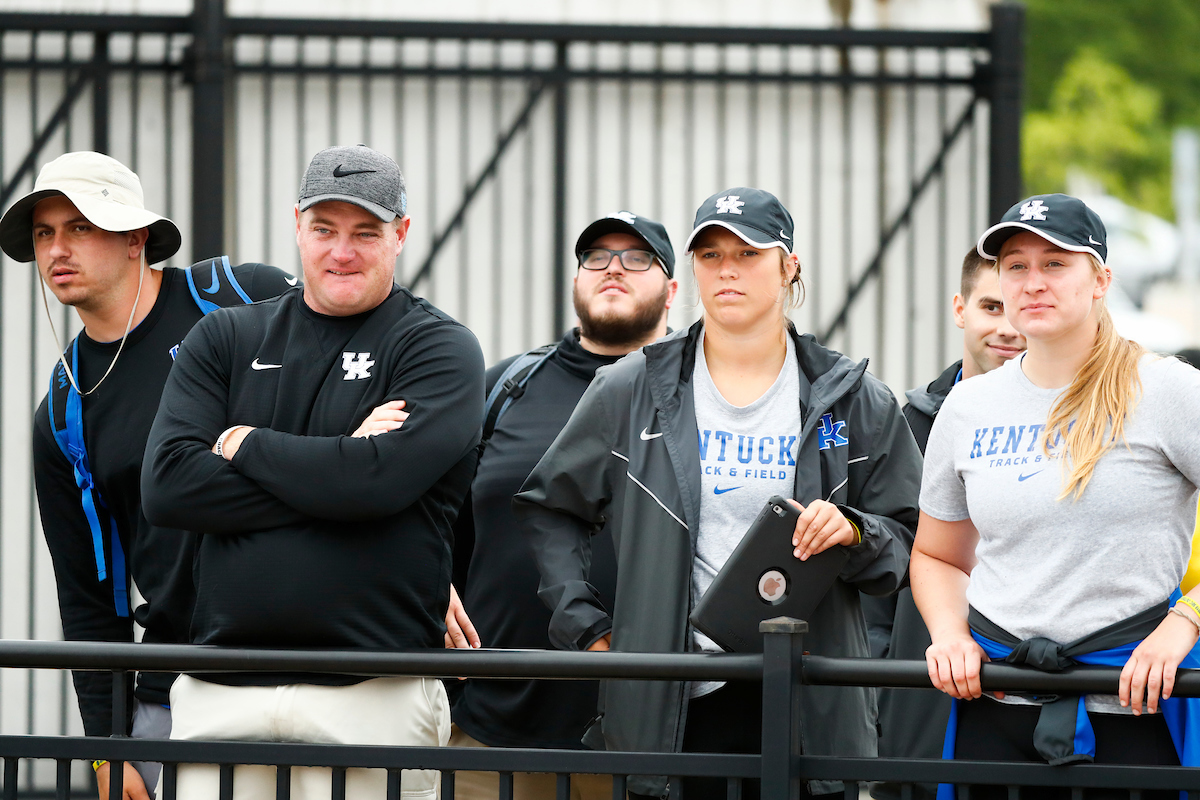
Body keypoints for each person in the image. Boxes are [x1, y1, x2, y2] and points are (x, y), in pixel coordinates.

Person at [514, 187, 922, 800]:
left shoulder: (854, 397)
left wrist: (855, 531)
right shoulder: (632, 387)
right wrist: (586, 626)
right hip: (673, 704)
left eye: (748, 252)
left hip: (808, 703)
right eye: (709, 254)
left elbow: (912, 538)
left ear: (789, 267)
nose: (726, 268)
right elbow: (551, 508)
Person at [141, 144, 485, 800]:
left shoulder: (437, 346)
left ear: (401, 234)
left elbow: (377, 483)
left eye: (366, 232)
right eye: (324, 229)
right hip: (219, 690)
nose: (342, 251)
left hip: (373, 695)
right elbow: (169, 487)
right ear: (297, 225)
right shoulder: (227, 339)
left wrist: (244, 444)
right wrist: (342, 456)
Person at [0, 151, 293, 800]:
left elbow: (369, 419)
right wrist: (110, 751)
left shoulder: (245, 299)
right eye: (45, 233)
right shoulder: (64, 412)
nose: (57, 250)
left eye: (80, 226)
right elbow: (88, 599)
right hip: (180, 681)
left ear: (135, 236)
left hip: (325, 648)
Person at [912, 193, 1200, 800]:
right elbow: (937, 555)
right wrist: (948, 632)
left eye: (1056, 264)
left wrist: (1185, 623)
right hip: (993, 704)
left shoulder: (1167, 389)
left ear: (1101, 280)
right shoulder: (969, 406)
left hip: (1130, 708)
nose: (1032, 282)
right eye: (1016, 266)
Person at [445, 212, 678, 800]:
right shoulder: (504, 389)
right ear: (576, 280)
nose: (613, 269)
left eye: (637, 258)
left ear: (672, 290)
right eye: (596, 256)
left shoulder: (701, 401)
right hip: (487, 735)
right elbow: (438, 520)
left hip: (646, 743)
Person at [868, 248, 1025, 800]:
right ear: (960, 309)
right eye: (990, 306)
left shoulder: (1089, 427)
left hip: (1032, 701)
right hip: (918, 708)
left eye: (1019, 308)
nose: (1007, 327)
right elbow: (878, 574)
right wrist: (882, 693)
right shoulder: (902, 426)